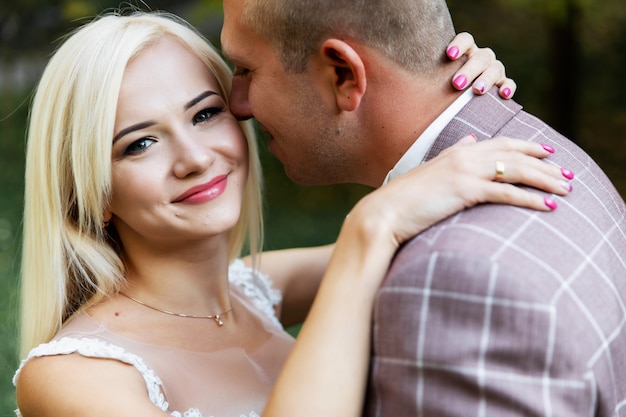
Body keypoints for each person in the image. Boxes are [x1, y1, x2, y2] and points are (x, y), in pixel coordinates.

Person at [11, 10, 575, 417]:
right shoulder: (72, 377)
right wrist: (367, 226)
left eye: (205, 114)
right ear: (92, 192)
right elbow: (376, 239)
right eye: (139, 144)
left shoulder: (253, 290)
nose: (194, 158)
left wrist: (440, 90)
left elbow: (417, 220)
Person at [220, 0, 626, 415]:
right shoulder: (560, 159)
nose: (238, 105)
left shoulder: (452, 279)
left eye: (246, 69)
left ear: (344, 74)